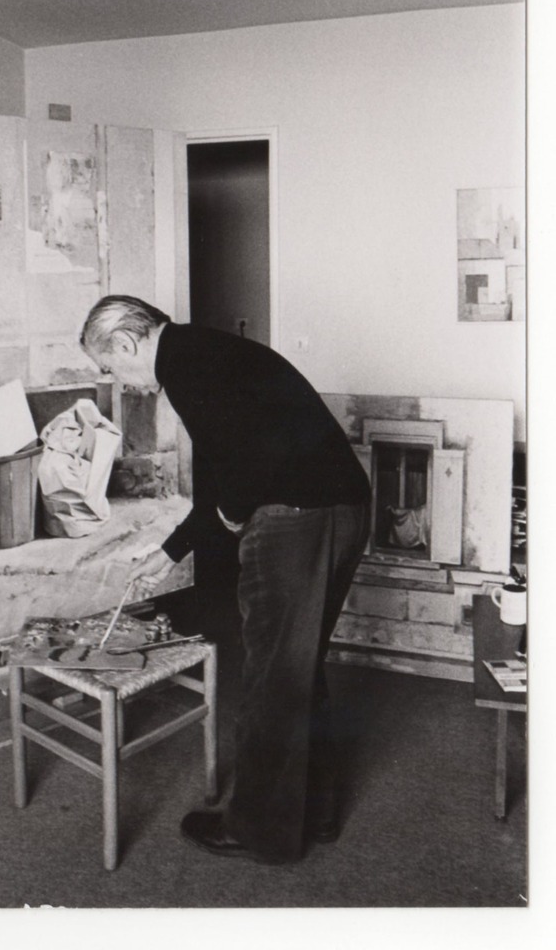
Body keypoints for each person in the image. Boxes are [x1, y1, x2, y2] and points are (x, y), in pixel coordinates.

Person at [80, 295, 371, 866]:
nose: (121, 382)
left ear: (126, 342)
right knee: (298, 665)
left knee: (272, 676)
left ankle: (259, 830)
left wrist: (234, 516)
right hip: (343, 510)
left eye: (111, 367)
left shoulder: (185, 367)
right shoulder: (203, 351)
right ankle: (315, 808)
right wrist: (172, 551)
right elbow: (224, 472)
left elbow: (239, 476)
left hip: (296, 520)